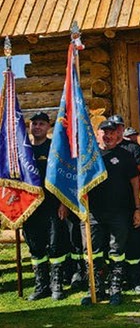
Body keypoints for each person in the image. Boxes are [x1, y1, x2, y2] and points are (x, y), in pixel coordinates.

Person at [82, 120, 140, 306]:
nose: (108, 136)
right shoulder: (89, 156)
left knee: (117, 251)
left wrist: (138, 209)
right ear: (97, 134)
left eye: (111, 132)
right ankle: (96, 288)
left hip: (120, 212)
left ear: (117, 135)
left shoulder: (125, 155)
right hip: (93, 213)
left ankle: (116, 289)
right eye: (104, 132)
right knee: (93, 252)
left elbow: (135, 183)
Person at [22, 112, 68, 301]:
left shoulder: (54, 149)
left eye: (41, 123)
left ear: (48, 127)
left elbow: (64, 177)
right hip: (30, 207)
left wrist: (64, 203)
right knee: (35, 246)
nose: (37, 127)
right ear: (29, 126)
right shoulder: (23, 150)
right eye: (34, 123)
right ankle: (42, 285)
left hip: (52, 205)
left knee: (56, 245)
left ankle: (57, 284)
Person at [108, 115, 140, 295]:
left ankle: (137, 279)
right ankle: (118, 279)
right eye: (112, 128)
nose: (116, 131)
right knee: (116, 245)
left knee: (136, 243)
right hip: (112, 207)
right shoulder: (104, 149)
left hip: (132, 204)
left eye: (119, 127)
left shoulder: (132, 147)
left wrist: (139, 206)